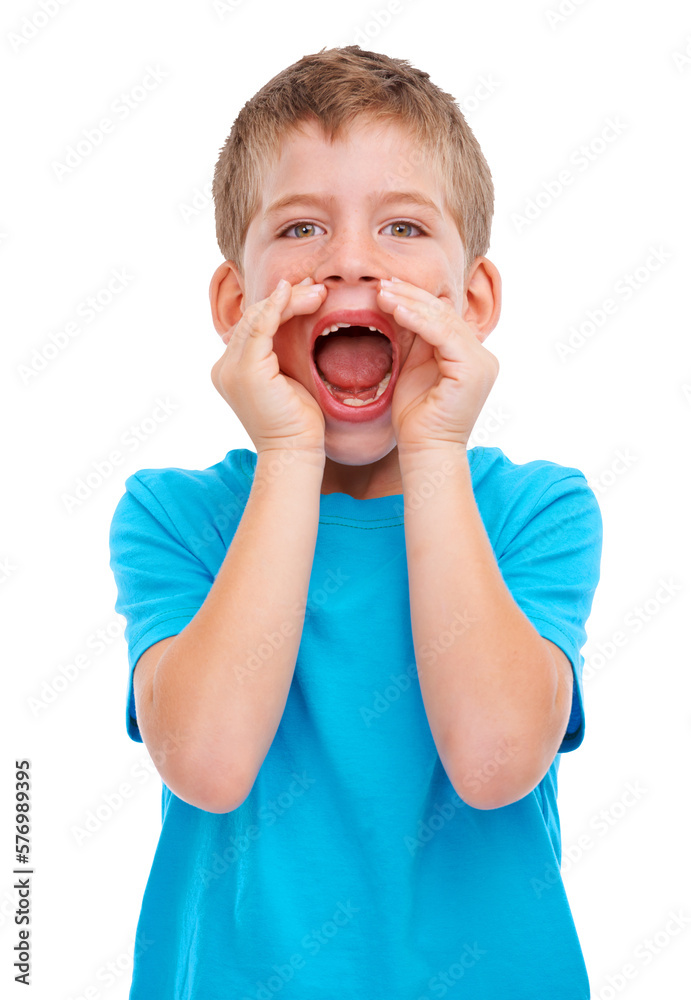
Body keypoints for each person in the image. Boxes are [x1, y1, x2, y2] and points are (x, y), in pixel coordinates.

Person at [108, 45, 603, 998]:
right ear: (234, 303)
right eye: (299, 230)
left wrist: (436, 447)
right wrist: (288, 453)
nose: (349, 262)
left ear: (471, 301)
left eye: (403, 226)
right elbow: (205, 764)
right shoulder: (174, 515)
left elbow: (496, 760)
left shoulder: (536, 511)